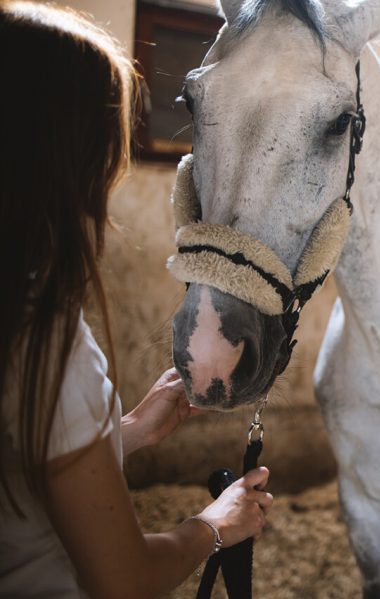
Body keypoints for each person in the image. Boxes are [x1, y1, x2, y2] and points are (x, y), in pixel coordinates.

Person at [0, 3, 273, 597]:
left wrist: (126, 431)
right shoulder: (43, 339)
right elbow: (123, 578)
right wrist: (216, 524)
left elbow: (18, 471)